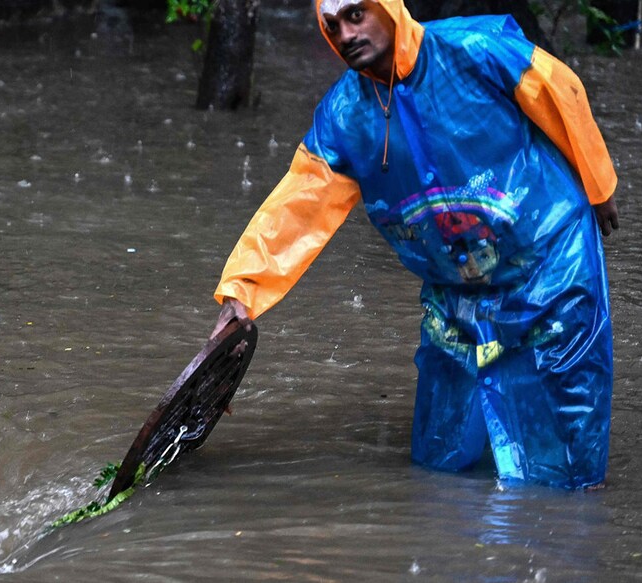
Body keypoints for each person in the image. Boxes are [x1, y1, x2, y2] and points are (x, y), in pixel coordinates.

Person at [212, 0, 619, 489]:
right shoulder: (345, 116)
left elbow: (560, 91)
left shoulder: (475, 50)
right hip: (454, 290)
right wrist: (242, 293)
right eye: (332, 26)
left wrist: (599, 187)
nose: (345, 34)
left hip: (549, 261)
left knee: (565, 442)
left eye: (356, 15)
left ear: (389, 9)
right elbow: (296, 206)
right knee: (439, 457)